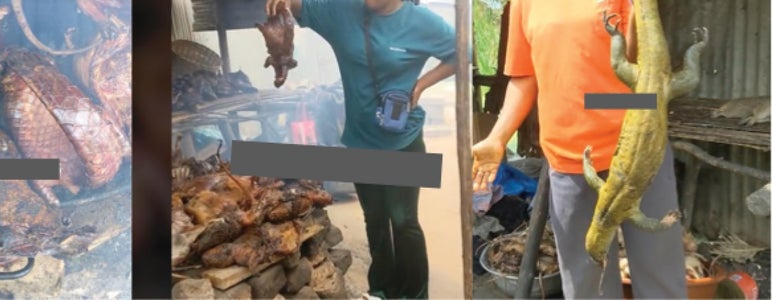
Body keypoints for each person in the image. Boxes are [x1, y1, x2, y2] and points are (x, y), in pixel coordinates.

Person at [470, 0, 688, 298]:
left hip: (639, 154)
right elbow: (524, 75)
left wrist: (590, 104)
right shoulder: (523, 3)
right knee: (586, 282)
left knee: (659, 274)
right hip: (568, 161)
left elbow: (644, 68)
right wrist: (497, 137)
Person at [263, 0, 461, 298]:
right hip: (360, 139)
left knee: (404, 221)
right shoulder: (343, 11)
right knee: (375, 220)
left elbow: (462, 52)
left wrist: (420, 85)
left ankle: (414, 295)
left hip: (403, 139)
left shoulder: (421, 21)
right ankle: (381, 290)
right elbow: (298, 7)